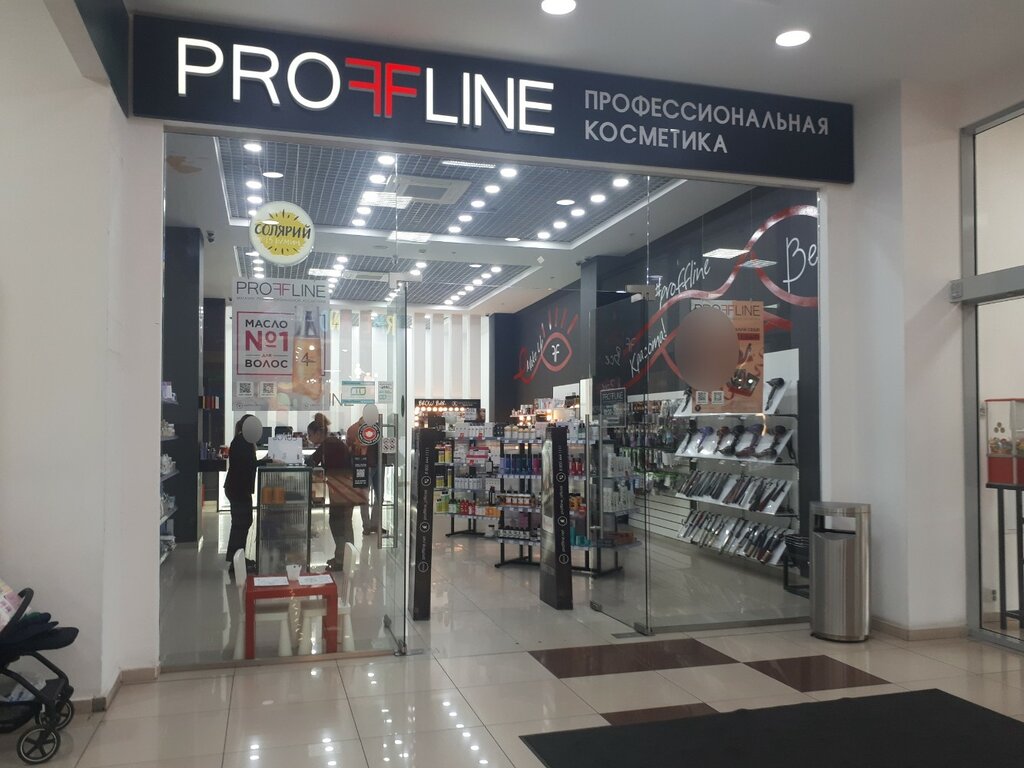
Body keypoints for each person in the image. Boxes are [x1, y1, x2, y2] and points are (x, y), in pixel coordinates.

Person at [306, 413, 364, 570]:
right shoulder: (332, 442)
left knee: (338, 523)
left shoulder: (329, 444)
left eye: (310, 435)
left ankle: (342, 560)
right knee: (344, 523)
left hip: (341, 489)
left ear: (318, 433)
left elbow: (311, 461)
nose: (309, 438)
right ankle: (344, 557)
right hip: (345, 488)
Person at [224, 414, 267, 576]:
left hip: (238, 488)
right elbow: (249, 464)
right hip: (238, 489)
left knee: (242, 523)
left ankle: (237, 559)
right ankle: (236, 562)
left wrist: (265, 460)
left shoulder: (242, 441)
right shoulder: (241, 442)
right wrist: (267, 461)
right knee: (241, 524)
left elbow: (248, 464)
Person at [346, 416, 384, 534]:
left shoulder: (375, 427)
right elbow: (349, 448)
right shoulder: (354, 429)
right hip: (364, 465)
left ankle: (372, 525)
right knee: (367, 497)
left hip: (373, 464)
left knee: (377, 497)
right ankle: (368, 526)